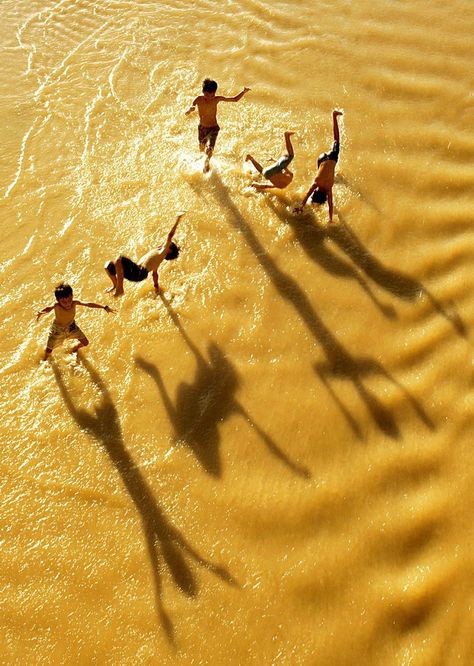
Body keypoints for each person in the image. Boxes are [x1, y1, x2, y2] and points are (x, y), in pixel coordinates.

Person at [104, 212, 185, 296]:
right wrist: (156, 287)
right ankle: (115, 285)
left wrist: (178, 220)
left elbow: (170, 235)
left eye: (167, 244)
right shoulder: (157, 256)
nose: (164, 243)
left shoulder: (162, 253)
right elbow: (155, 274)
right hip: (134, 274)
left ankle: (119, 288)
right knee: (108, 266)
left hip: (139, 272)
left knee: (119, 259)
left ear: (168, 251)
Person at [185, 78, 251, 172]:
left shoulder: (216, 99)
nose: (211, 97)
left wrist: (243, 92)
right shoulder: (198, 99)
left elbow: (234, 99)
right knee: (201, 147)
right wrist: (189, 110)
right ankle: (202, 158)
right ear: (203, 92)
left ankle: (207, 163)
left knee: (210, 149)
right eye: (208, 95)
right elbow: (191, 107)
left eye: (213, 95)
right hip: (202, 128)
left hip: (214, 128)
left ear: (215, 93)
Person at [36, 282, 115, 360]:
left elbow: (88, 304)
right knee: (49, 349)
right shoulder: (56, 306)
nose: (68, 303)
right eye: (64, 302)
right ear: (58, 301)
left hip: (71, 327)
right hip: (57, 330)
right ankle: (45, 359)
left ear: (72, 296)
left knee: (85, 342)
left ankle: (74, 348)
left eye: (70, 299)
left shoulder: (74, 303)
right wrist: (41, 312)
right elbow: (48, 308)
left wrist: (104, 307)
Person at [295, 110, 343, 222]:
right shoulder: (316, 183)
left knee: (336, 140)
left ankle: (334, 116)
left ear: (325, 195)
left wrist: (330, 219)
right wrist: (301, 206)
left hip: (331, 158)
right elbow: (307, 195)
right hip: (321, 159)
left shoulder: (329, 188)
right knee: (323, 169)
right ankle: (334, 116)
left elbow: (331, 205)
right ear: (316, 192)